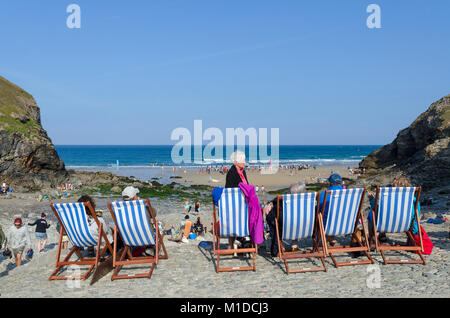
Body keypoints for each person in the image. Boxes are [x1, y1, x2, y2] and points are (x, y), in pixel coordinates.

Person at [367, 177, 421, 247]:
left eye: (393, 186)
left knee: (371, 214)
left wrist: (372, 199)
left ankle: (373, 239)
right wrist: (415, 228)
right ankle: (409, 239)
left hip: (385, 224)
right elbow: (417, 216)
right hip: (406, 225)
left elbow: (376, 209)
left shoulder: (388, 199)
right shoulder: (413, 200)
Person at [265, 183, 307, 257]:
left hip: (287, 230)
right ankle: (294, 245)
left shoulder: (283, 203)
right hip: (305, 228)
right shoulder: (309, 202)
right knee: (296, 220)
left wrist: (270, 206)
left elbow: (270, 218)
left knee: (275, 221)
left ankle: (279, 245)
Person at [224, 150, 250, 248]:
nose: (245, 162)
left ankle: (244, 241)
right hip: (235, 204)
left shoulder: (242, 171)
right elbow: (229, 190)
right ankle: (231, 245)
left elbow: (247, 185)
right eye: (243, 160)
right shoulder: (232, 172)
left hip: (243, 203)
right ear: (237, 161)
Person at [318, 174, 345, 246]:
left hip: (328, 224)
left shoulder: (324, 194)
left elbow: (319, 209)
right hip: (345, 224)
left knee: (321, 215)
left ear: (330, 183)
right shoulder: (347, 193)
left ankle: (327, 238)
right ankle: (331, 238)